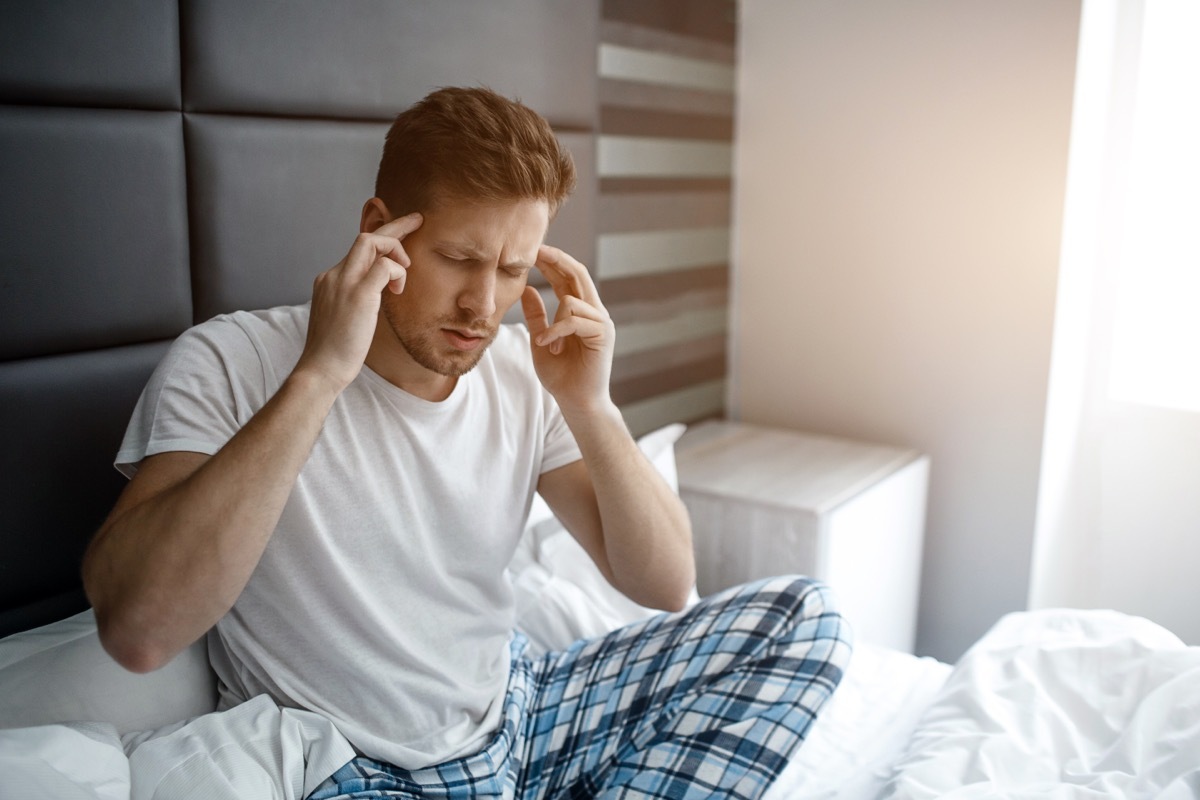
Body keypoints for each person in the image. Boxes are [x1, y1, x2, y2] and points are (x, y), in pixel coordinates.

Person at [82, 87, 850, 799]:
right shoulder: (232, 362)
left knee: (803, 617)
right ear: (378, 227)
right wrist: (319, 377)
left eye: (514, 270)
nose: (484, 306)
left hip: (521, 711)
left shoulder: (524, 373)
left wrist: (591, 403)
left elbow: (665, 585)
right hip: (359, 764)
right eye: (459, 259)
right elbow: (140, 632)